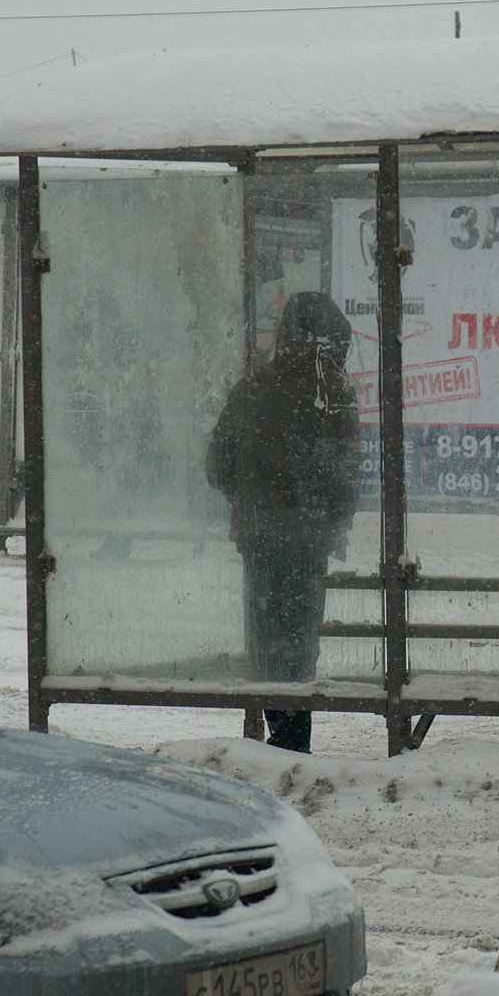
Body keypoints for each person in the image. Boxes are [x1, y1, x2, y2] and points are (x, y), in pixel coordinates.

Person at [206, 292, 361, 754]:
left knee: (268, 637)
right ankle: (294, 738)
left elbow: (217, 464)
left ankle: (281, 736)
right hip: (309, 540)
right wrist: (327, 516)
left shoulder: (254, 388)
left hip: (259, 536)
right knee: (299, 641)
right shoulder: (334, 397)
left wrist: (250, 499)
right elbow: (346, 477)